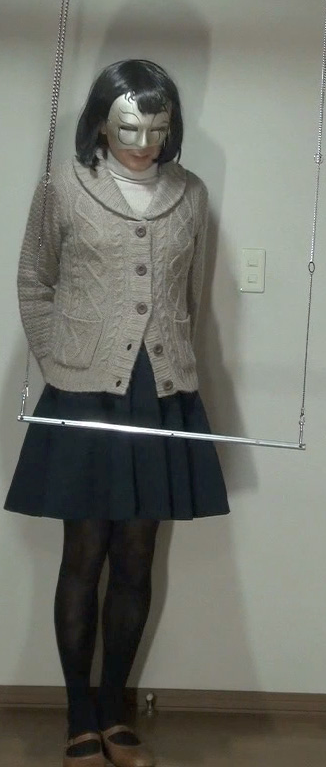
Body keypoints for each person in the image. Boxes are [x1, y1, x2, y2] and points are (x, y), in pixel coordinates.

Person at [4, 59, 230, 767]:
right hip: (83, 390)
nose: (145, 143)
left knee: (137, 556)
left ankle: (112, 713)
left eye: (159, 129)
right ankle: (78, 717)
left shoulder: (190, 194)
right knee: (84, 554)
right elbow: (34, 281)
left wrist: (178, 364)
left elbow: (191, 297)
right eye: (131, 127)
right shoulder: (63, 186)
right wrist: (58, 359)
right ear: (102, 122)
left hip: (160, 392)